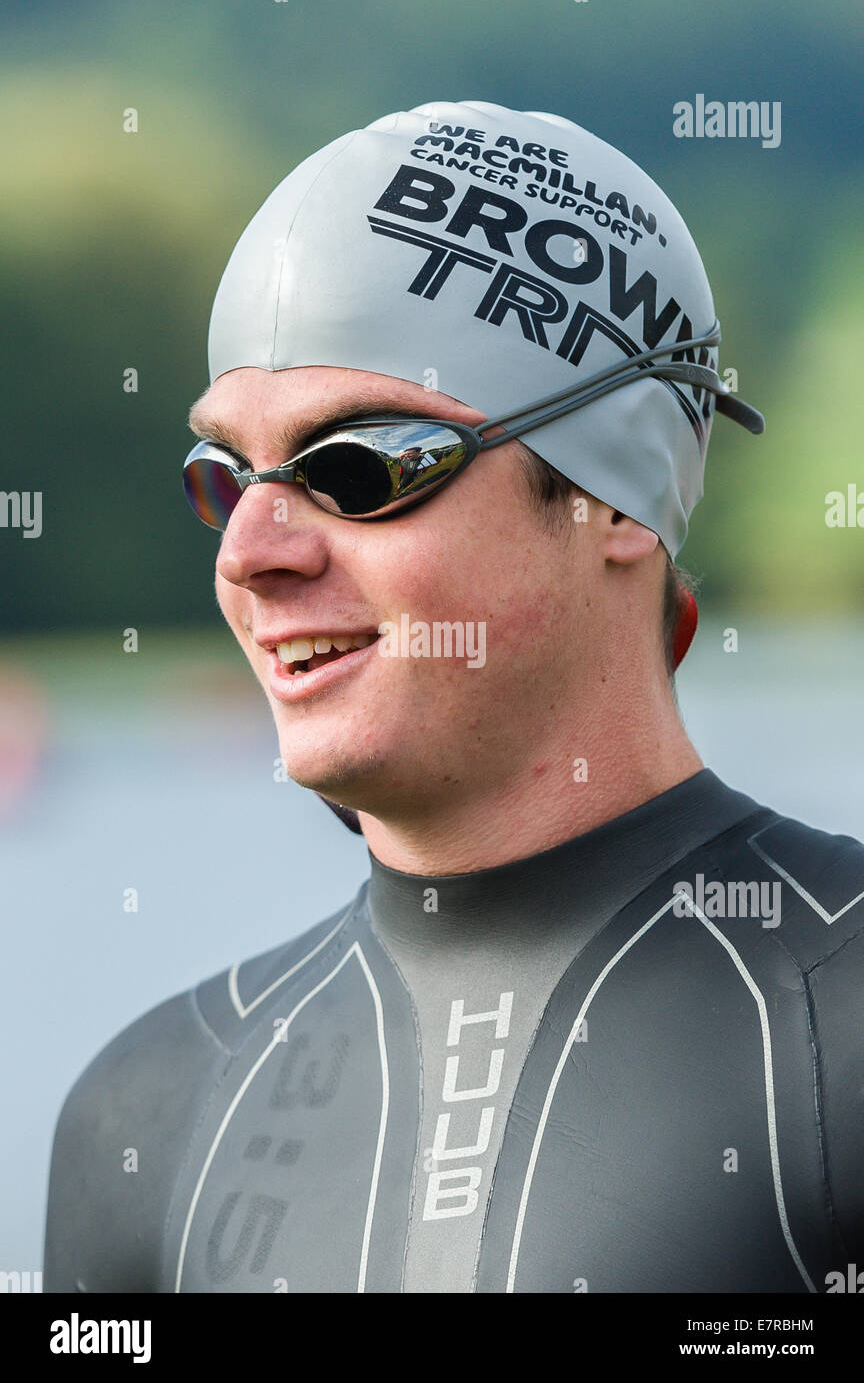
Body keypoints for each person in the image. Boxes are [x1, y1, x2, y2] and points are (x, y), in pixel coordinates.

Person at [44, 101, 864, 1294]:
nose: (250, 551)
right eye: (224, 476)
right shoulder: (144, 1119)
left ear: (616, 502)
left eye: (359, 467)